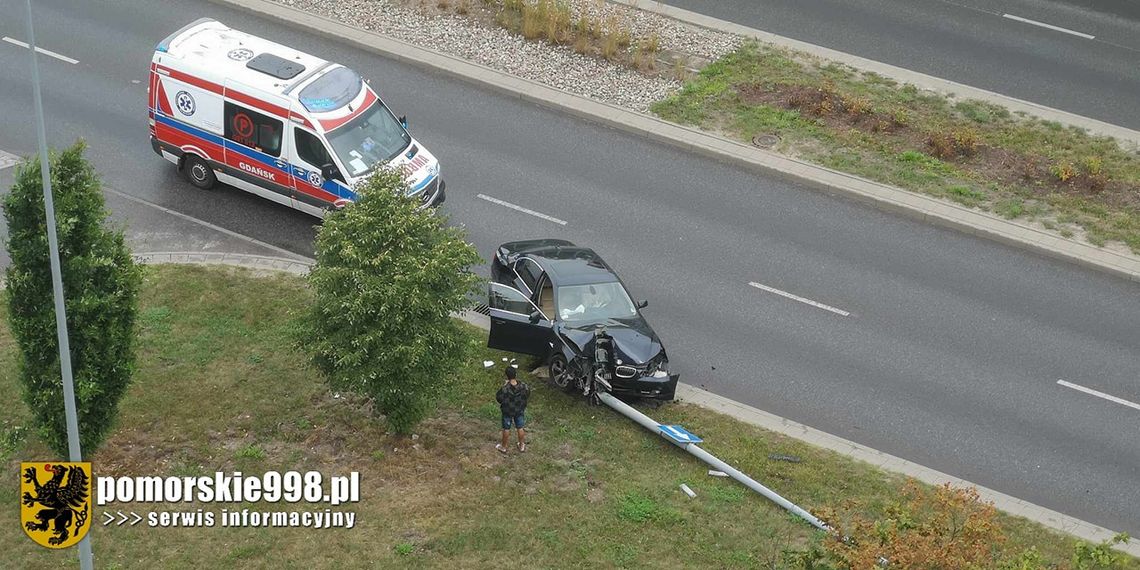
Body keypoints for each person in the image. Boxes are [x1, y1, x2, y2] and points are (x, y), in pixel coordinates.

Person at [495, 367, 530, 453]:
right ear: (516, 374)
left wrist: (504, 386)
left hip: (507, 411)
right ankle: (521, 445)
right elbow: (528, 394)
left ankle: (504, 447)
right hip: (519, 410)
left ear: (506, 376)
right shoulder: (524, 386)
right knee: (520, 427)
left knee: (506, 428)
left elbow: (499, 398)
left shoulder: (505, 389)